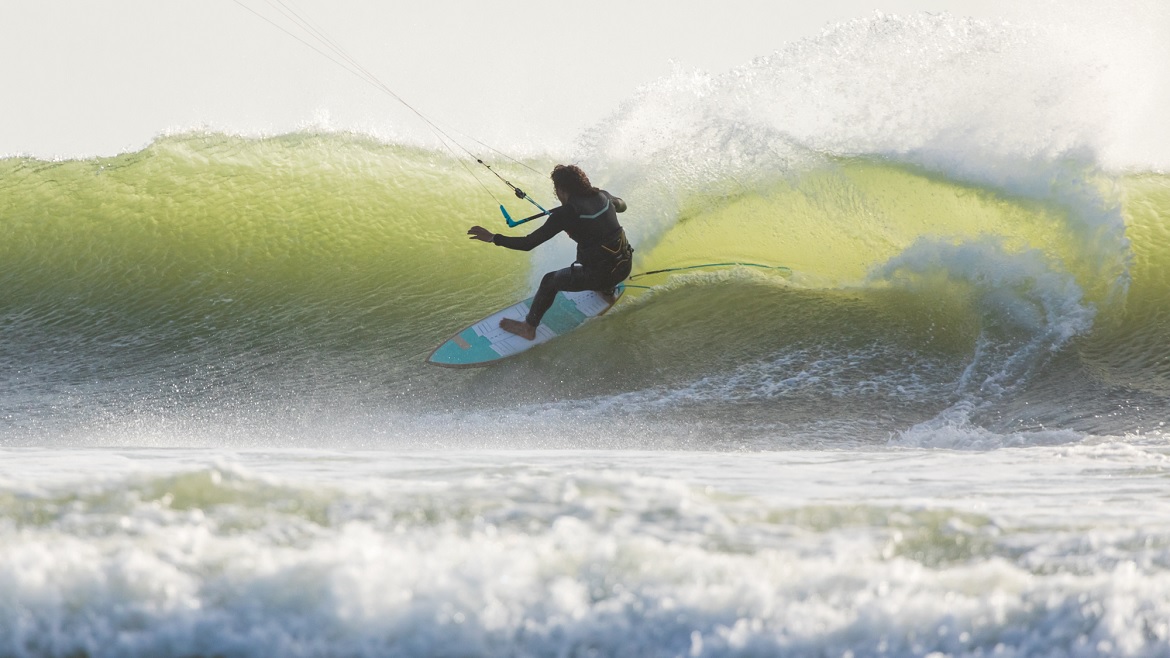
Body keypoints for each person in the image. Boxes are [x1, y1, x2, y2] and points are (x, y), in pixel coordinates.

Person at [467, 165, 633, 340]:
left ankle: (528, 328)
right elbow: (623, 206)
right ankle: (607, 292)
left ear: (561, 189)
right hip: (624, 266)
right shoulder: (603, 196)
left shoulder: (566, 213)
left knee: (549, 281)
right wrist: (609, 201)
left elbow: (528, 243)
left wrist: (494, 238)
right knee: (599, 255)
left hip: (601, 275)